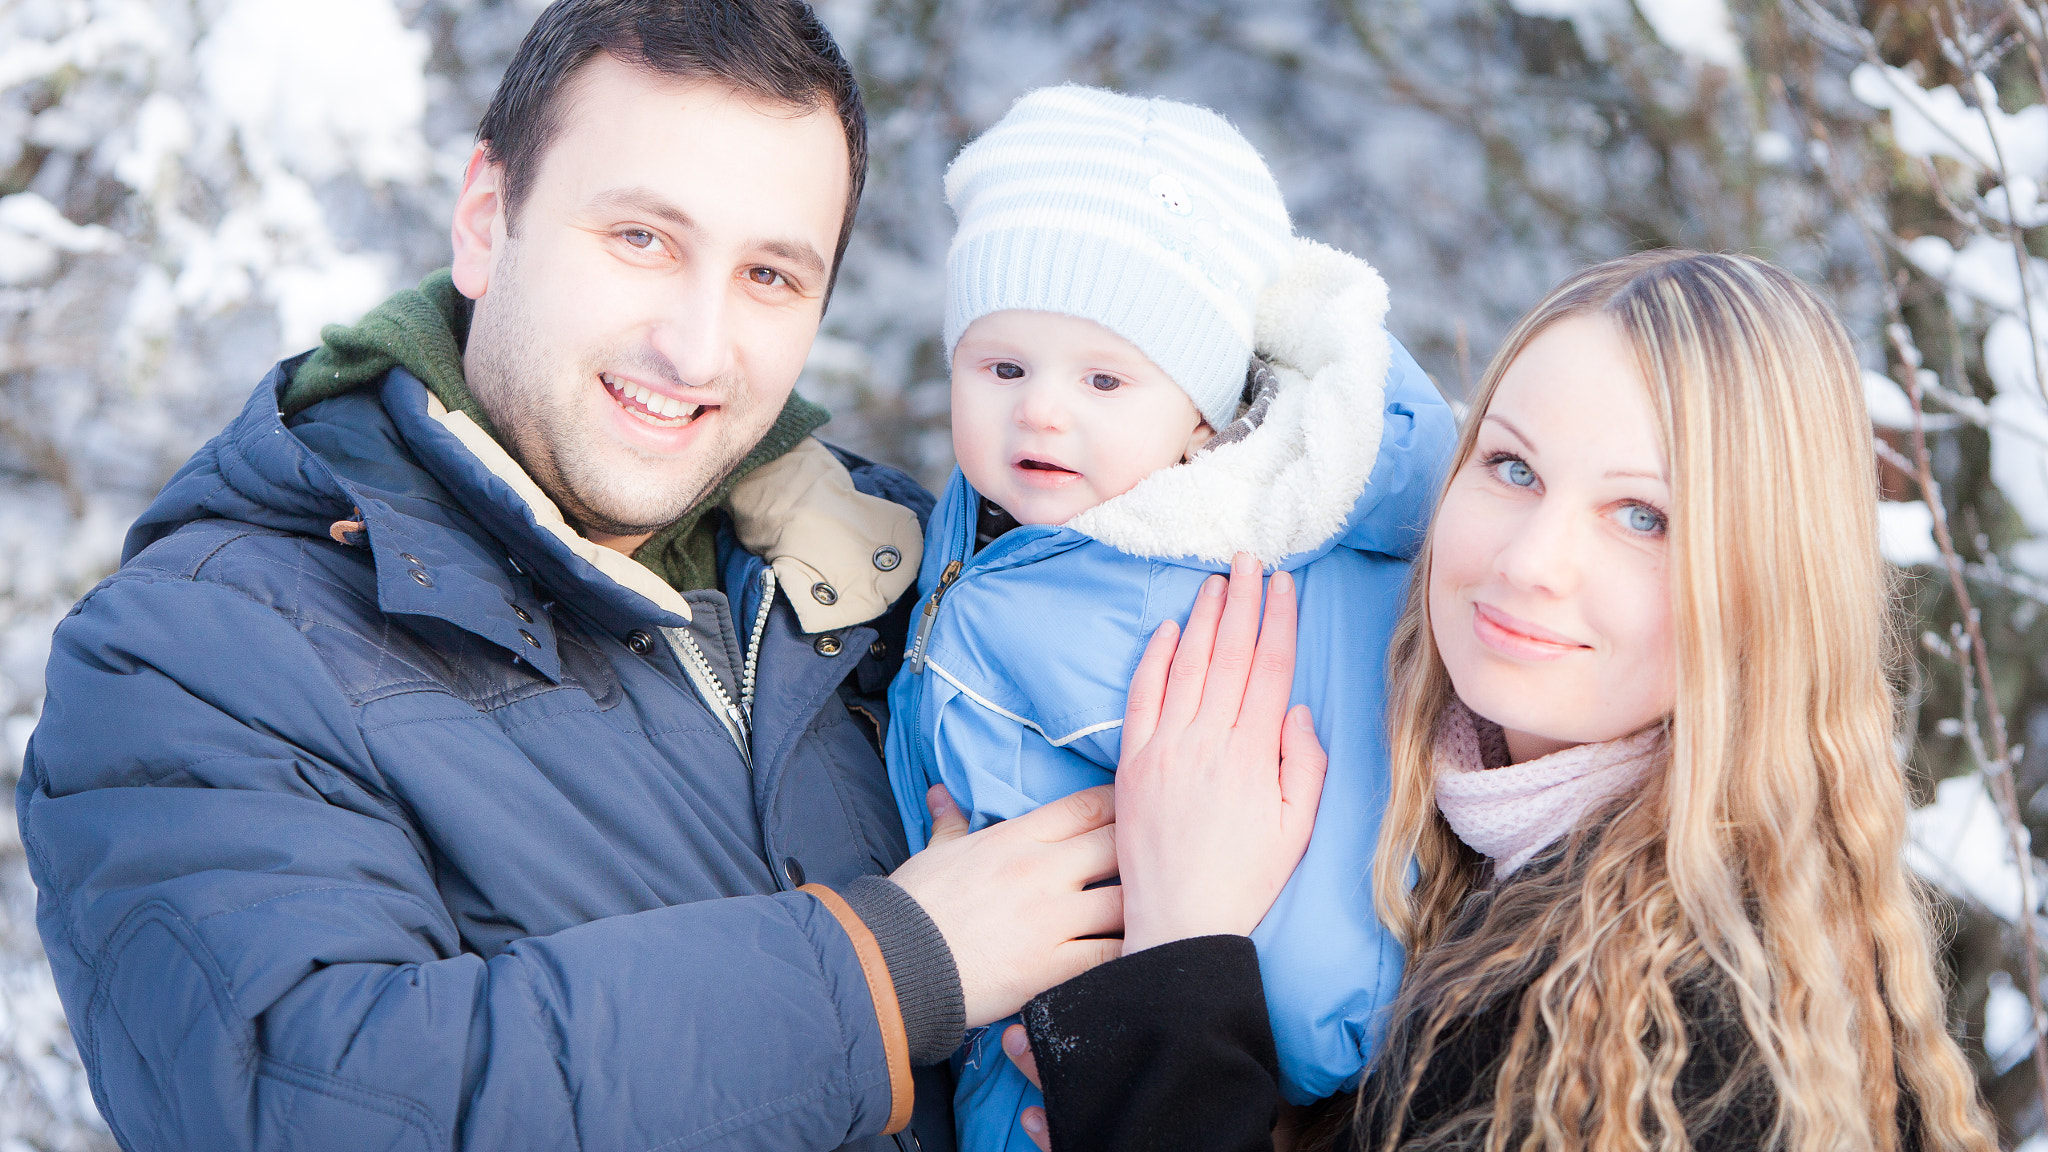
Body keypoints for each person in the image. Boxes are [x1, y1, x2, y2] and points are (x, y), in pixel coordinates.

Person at [15, 3, 1133, 1149]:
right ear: (487, 221)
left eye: (768, 275)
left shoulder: (917, 583)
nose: (695, 349)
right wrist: (891, 971)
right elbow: (311, 1100)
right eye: (641, 239)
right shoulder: (201, 648)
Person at [1001, 251, 2001, 1152]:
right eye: (1511, 467)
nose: (1528, 563)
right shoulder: (1465, 870)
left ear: (1766, 588)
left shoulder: (1677, 1027)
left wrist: (1179, 966)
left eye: (1642, 516)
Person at [880, 85, 1457, 1151]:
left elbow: (1327, 910)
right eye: (1001, 365)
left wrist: (1179, 1014)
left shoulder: (1223, 580)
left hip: (1095, 1071)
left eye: (1104, 377)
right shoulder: (1020, 539)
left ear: (1198, 410)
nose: (1041, 409)